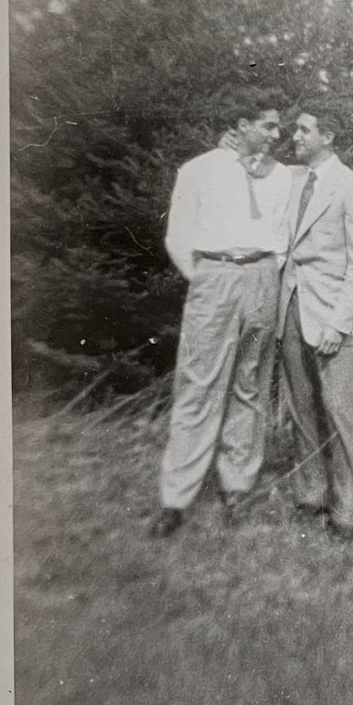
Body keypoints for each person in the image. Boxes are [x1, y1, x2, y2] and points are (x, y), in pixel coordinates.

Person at [152, 91, 294, 537]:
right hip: (214, 276)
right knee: (199, 385)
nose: (277, 135)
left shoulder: (282, 177)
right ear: (242, 123)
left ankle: (237, 486)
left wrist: (268, 270)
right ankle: (176, 497)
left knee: (250, 383)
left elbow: (286, 233)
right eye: (268, 126)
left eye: (279, 127)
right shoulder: (198, 171)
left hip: (262, 277)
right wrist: (207, 278)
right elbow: (178, 237)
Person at [278, 106, 353, 541]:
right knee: (301, 409)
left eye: (304, 130)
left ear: (330, 135)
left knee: (342, 411)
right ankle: (311, 494)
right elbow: (255, 168)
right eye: (294, 129)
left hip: (332, 317)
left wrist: (340, 324)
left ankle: (351, 510)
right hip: (291, 309)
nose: (294, 136)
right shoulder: (293, 179)